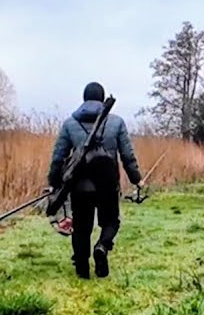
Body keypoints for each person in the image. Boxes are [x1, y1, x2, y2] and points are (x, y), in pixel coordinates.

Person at [47, 82, 143, 279]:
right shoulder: (116, 122)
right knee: (111, 221)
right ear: (102, 98)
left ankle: (82, 269)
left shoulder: (70, 124)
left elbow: (58, 157)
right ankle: (102, 246)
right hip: (108, 184)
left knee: (81, 226)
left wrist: (54, 183)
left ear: (84, 99)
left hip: (80, 186)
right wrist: (137, 179)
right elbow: (127, 155)